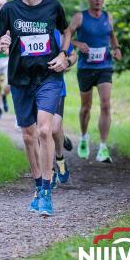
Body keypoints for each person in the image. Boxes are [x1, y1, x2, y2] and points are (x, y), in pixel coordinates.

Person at [0, 0, 71, 216]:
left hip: (48, 75)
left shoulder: (53, 6)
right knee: (28, 135)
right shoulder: (9, 9)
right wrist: (1, 42)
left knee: (45, 130)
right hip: (20, 78)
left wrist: (63, 54)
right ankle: (37, 184)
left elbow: (66, 30)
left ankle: (47, 191)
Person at [70, 0, 122, 163]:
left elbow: (111, 35)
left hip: (104, 66)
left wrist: (116, 48)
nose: (98, 0)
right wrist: (78, 45)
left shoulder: (108, 16)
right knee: (86, 108)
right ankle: (84, 137)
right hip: (86, 68)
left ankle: (102, 147)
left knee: (106, 105)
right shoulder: (80, 17)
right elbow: (66, 35)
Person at [51, 29, 77, 188]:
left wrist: (66, 62)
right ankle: (49, 171)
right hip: (32, 89)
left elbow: (73, 55)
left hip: (56, 86)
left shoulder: (58, 32)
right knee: (42, 130)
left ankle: (60, 158)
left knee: (54, 128)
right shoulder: (25, 29)